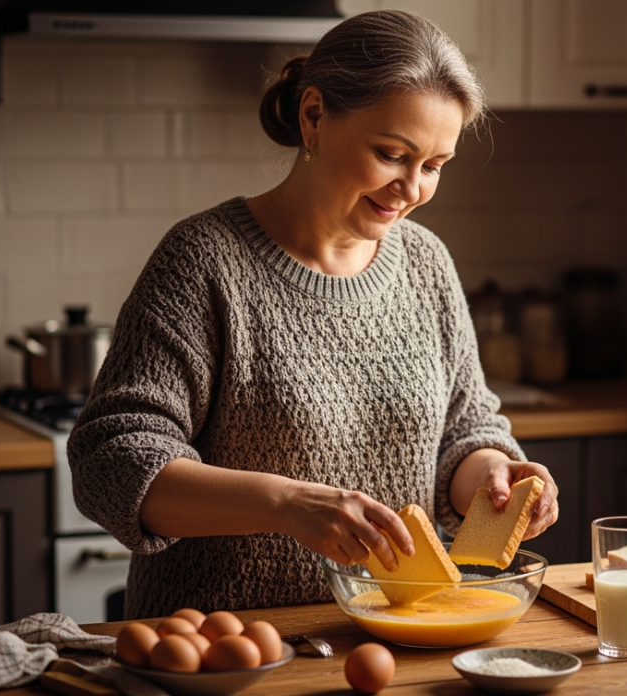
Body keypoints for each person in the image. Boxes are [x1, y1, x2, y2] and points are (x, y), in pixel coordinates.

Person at [67, 9, 559, 620]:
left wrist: (495, 476)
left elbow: (464, 434)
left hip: (394, 636)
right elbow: (111, 460)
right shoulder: (204, 261)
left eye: (433, 166)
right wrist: (286, 504)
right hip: (226, 648)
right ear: (315, 116)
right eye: (390, 154)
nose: (412, 188)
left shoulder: (426, 262)